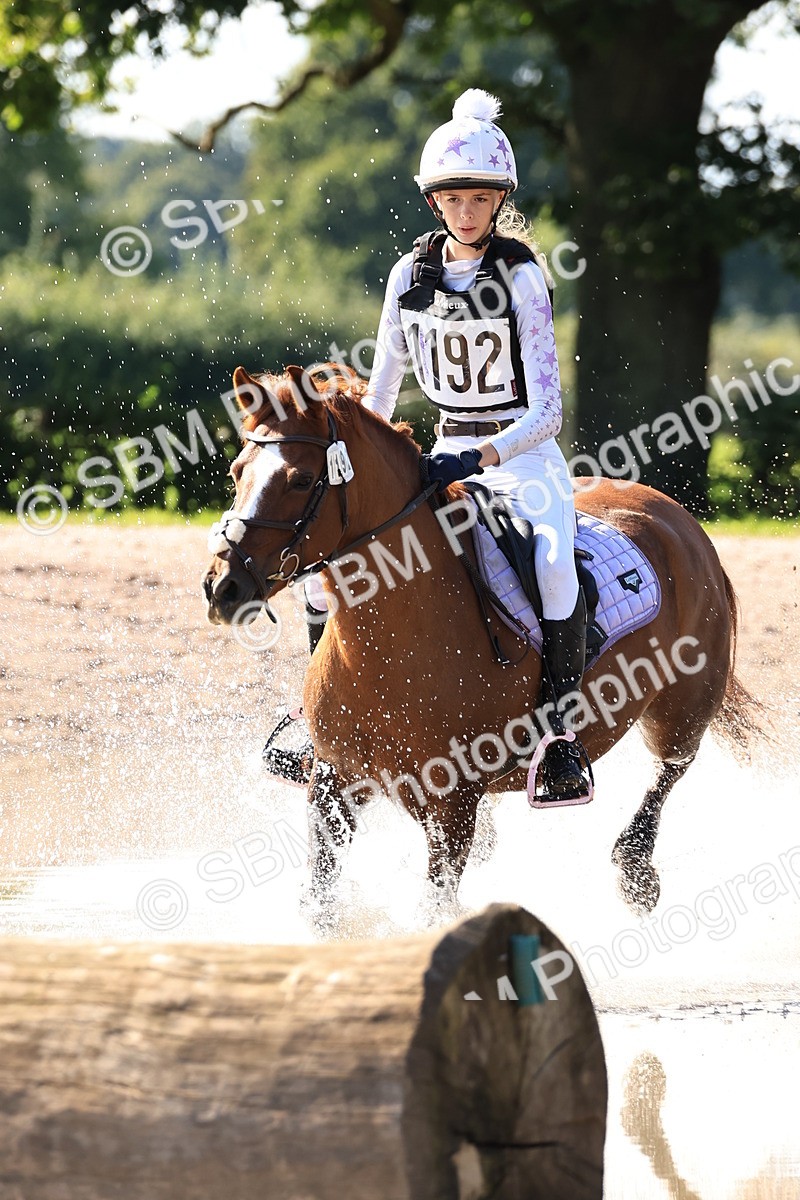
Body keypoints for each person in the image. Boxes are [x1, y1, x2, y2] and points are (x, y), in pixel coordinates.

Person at [267, 88, 588, 802]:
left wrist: (477, 458)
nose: (467, 212)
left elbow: (549, 413)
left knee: (553, 559)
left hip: (520, 459)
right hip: (435, 452)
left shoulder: (522, 276)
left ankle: (559, 736)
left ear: (498, 200)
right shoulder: (408, 279)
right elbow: (380, 396)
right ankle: (309, 720)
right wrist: (365, 465)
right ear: (435, 203)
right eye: (454, 200)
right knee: (328, 567)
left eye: (480, 199)